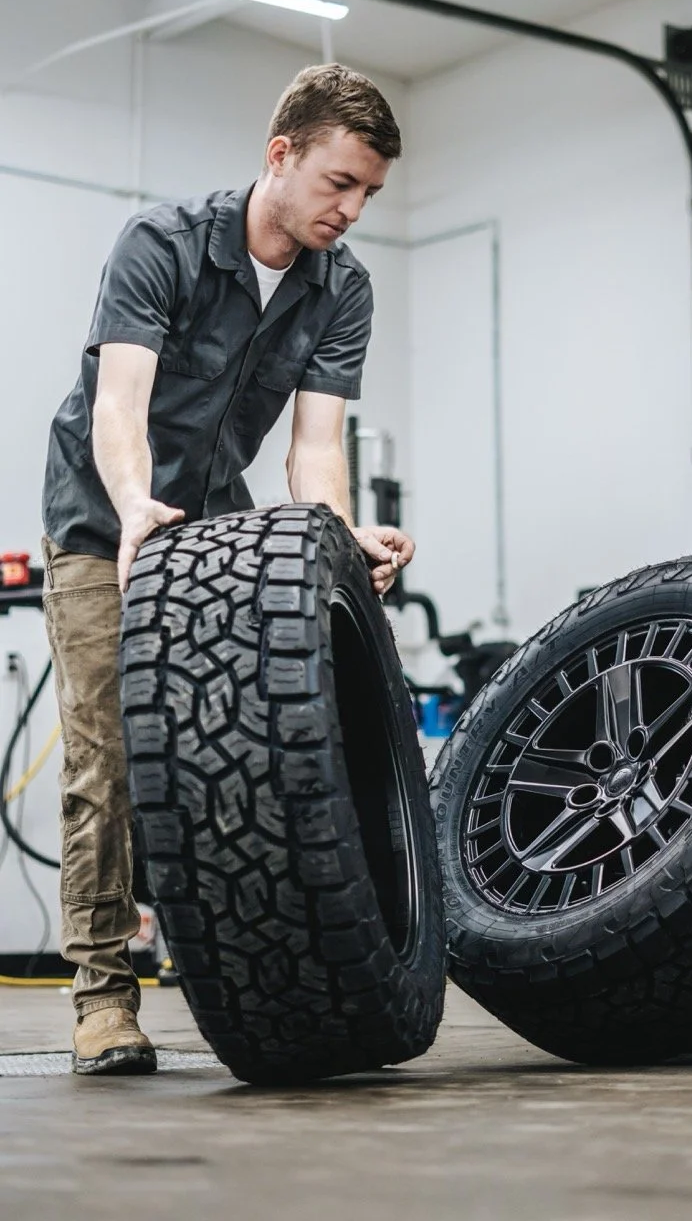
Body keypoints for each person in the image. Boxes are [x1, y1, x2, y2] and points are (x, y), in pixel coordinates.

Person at [40, 63, 415, 1076]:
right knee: (108, 759)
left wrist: (345, 539)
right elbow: (120, 402)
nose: (352, 208)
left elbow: (313, 452)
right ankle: (102, 1001)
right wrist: (132, 509)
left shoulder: (343, 288)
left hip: (218, 528)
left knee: (255, 746)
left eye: (369, 192)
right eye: (339, 182)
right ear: (280, 155)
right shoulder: (162, 243)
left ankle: (246, 968)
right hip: (98, 520)